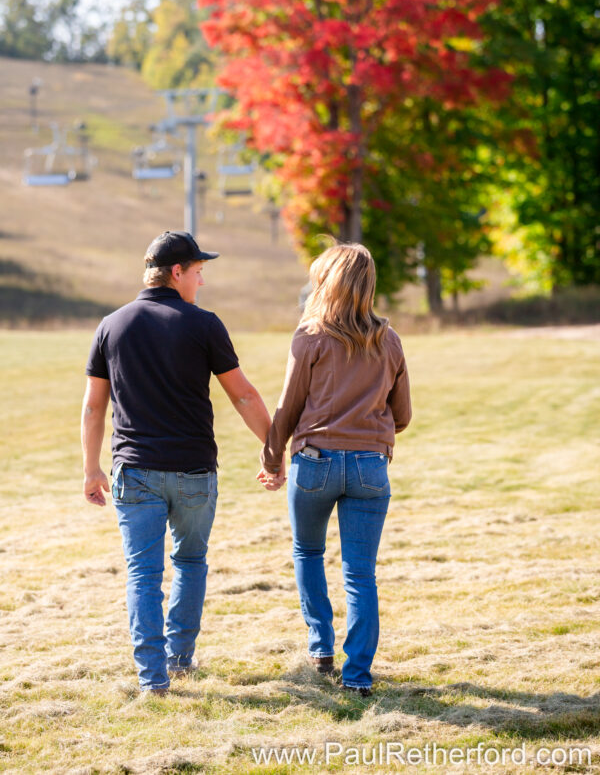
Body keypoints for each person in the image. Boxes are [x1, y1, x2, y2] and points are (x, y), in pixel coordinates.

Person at [81, 230, 282, 695]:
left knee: (143, 574)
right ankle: (180, 659)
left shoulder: (111, 326)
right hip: (194, 472)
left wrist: (92, 469)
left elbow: (94, 407)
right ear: (177, 272)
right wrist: (273, 451)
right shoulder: (204, 325)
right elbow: (244, 394)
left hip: (135, 471)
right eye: (198, 272)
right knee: (190, 562)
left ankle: (153, 679)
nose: (201, 282)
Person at [257, 243, 411, 697]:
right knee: (360, 573)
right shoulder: (390, 340)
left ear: (328, 283)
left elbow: (288, 406)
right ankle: (358, 677)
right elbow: (401, 415)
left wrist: (272, 459)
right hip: (370, 467)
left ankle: (320, 649)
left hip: (315, 464)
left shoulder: (310, 337)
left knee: (308, 553)